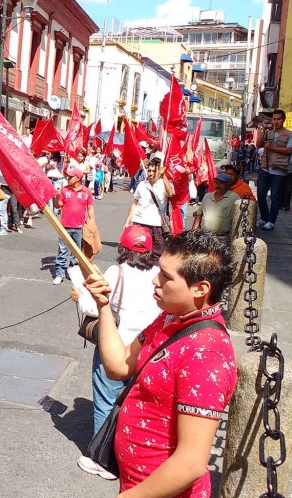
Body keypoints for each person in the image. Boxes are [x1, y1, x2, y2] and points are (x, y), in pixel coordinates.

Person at [84, 230, 236, 498]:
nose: (155, 280)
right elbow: (119, 366)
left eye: (167, 277)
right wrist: (104, 306)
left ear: (200, 289)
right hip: (135, 483)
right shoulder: (169, 318)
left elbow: (191, 463)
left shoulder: (206, 354)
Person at [74, 224, 162, 481]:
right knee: (131, 402)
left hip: (115, 344)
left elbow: (93, 306)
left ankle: (103, 459)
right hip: (144, 348)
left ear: (122, 248)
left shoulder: (116, 272)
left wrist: (79, 294)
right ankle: (128, 452)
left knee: (105, 398)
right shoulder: (157, 274)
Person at [125, 155, 173, 262]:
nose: (150, 173)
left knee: (157, 254)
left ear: (158, 171)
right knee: (138, 253)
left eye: (153, 171)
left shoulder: (164, 184)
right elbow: (134, 203)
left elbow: (171, 193)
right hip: (140, 223)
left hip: (157, 225)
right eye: (149, 170)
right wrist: (127, 222)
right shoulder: (142, 185)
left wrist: (163, 176)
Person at [52, 165, 95, 284]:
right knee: (62, 251)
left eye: (71, 176)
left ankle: (73, 273)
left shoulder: (86, 192)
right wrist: (56, 195)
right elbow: (57, 205)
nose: (68, 178)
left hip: (79, 227)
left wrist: (92, 223)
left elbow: (90, 208)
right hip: (64, 226)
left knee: (77, 253)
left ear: (78, 178)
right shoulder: (65, 190)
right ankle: (59, 274)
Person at [255, 110, 292, 231]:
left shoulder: (290, 134)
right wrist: (263, 129)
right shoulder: (269, 133)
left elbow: (289, 150)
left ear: (283, 119)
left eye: (278, 119)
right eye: (274, 119)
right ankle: (264, 217)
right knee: (261, 194)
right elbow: (259, 144)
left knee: (275, 196)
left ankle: (271, 221)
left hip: (279, 169)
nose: (276, 121)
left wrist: (271, 147)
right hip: (265, 167)